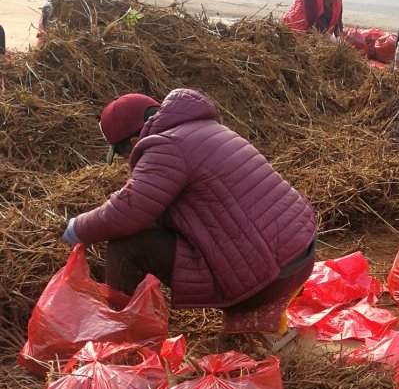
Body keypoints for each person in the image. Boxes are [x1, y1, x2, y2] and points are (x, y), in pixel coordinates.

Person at [62, 88, 317, 332]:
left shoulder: (165, 147)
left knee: (126, 246)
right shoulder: (204, 128)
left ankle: (124, 336)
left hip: (269, 278)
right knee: (149, 227)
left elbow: (126, 212)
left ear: (134, 141)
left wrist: (75, 229)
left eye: (123, 155)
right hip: (299, 256)